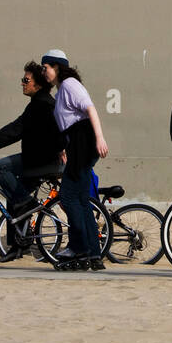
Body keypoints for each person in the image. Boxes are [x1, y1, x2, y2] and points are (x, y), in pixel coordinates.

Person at [0, 60, 65, 263]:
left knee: (0, 167)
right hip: (39, 161)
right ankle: (17, 246)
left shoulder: (41, 105)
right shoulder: (40, 103)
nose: (22, 83)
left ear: (38, 84)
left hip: (43, 162)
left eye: (26, 80)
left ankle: (26, 203)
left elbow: (16, 130)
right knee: (13, 195)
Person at [40, 49, 113, 271]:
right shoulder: (63, 90)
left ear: (57, 67)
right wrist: (65, 147)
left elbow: (90, 109)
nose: (44, 72)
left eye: (46, 68)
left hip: (84, 142)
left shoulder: (70, 84)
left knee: (69, 197)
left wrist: (99, 138)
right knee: (80, 200)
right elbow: (68, 122)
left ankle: (78, 247)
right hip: (78, 144)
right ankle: (92, 253)